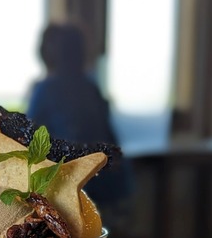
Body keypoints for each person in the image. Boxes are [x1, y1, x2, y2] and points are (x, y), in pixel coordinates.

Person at [27, 23, 134, 209]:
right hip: (112, 186)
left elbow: (29, 142)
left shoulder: (46, 90)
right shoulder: (91, 88)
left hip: (77, 188)